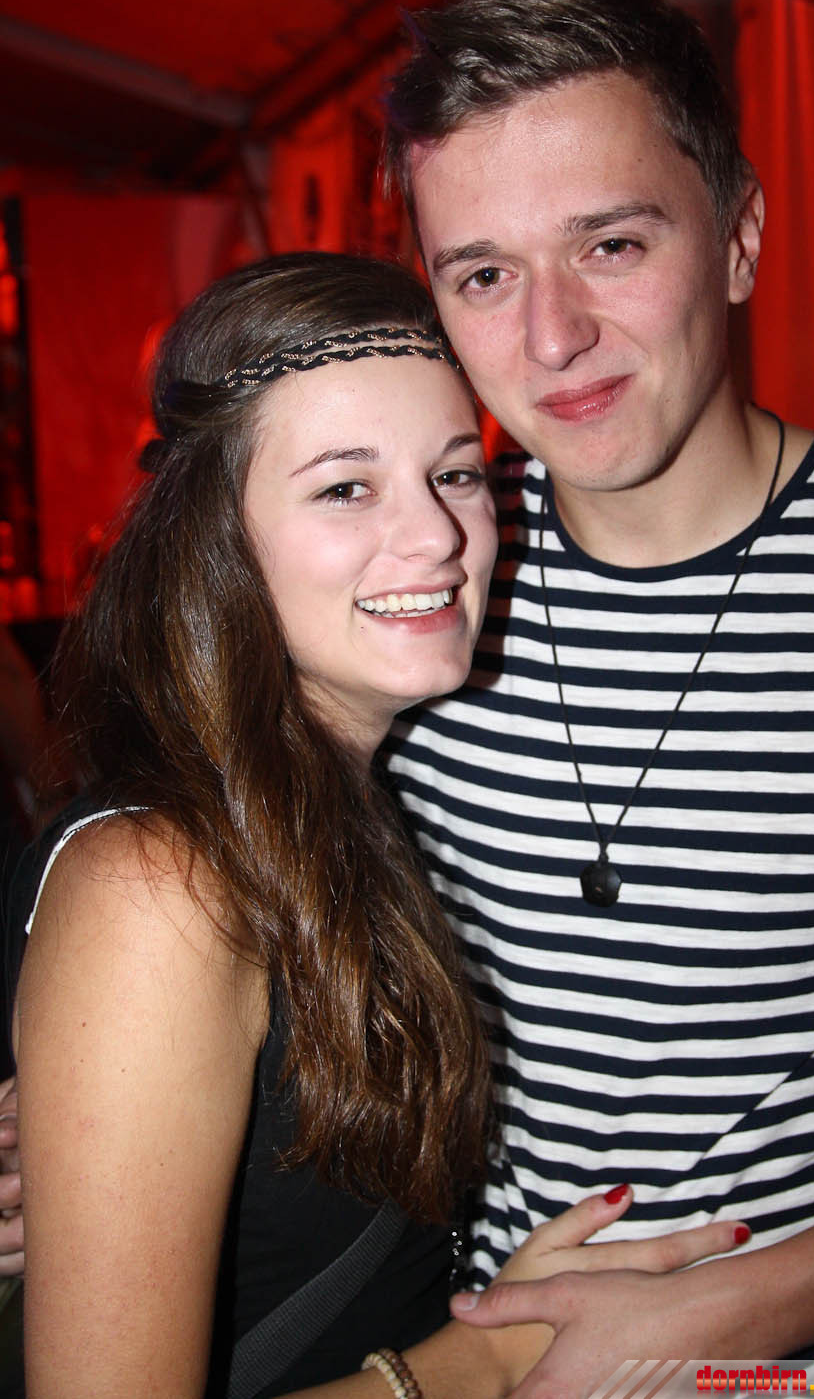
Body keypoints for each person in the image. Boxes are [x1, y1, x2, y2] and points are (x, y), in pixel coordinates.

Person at [377, 0, 814, 1391]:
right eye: (484, 275)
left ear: (738, 237)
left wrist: (720, 1320)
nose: (550, 339)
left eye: (608, 245)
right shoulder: (418, 581)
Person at [8, 251, 739, 1399]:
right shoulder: (160, 884)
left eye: (454, 474)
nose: (437, 536)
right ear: (216, 536)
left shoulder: (354, 812)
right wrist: (483, 1358)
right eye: (346, 488)